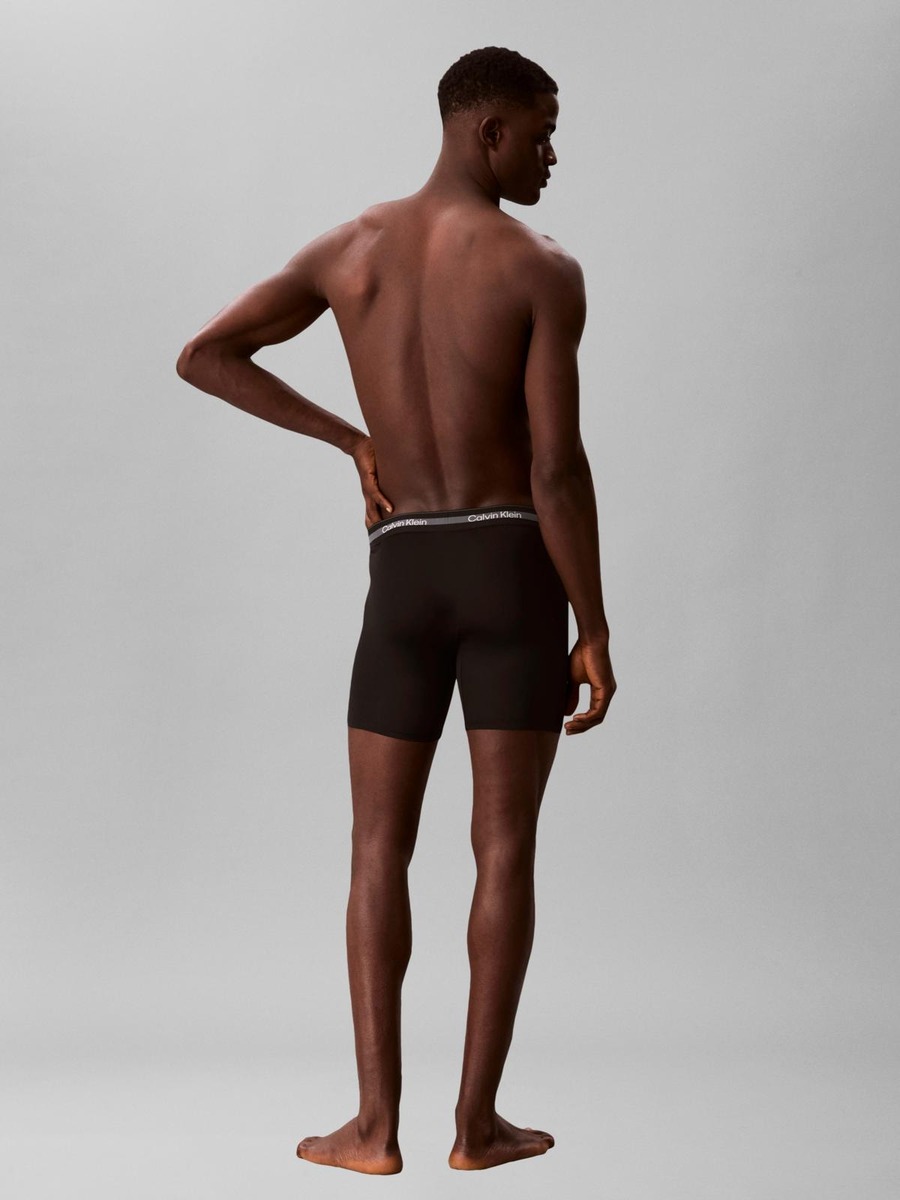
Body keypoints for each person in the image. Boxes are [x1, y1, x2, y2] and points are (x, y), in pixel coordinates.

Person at [176, 44, 616, 1174]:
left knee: (376, 847)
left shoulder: (348, 251)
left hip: (403, 573)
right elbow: (556, 467)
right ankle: (476, 1128)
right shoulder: (540, 269)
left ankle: (372, 1131)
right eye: (541, 134)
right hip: (511, 569)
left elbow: (207, 355)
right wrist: (594, 623)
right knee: (502, 848)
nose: (551, 156)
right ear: (487, 131)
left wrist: (353, 440)